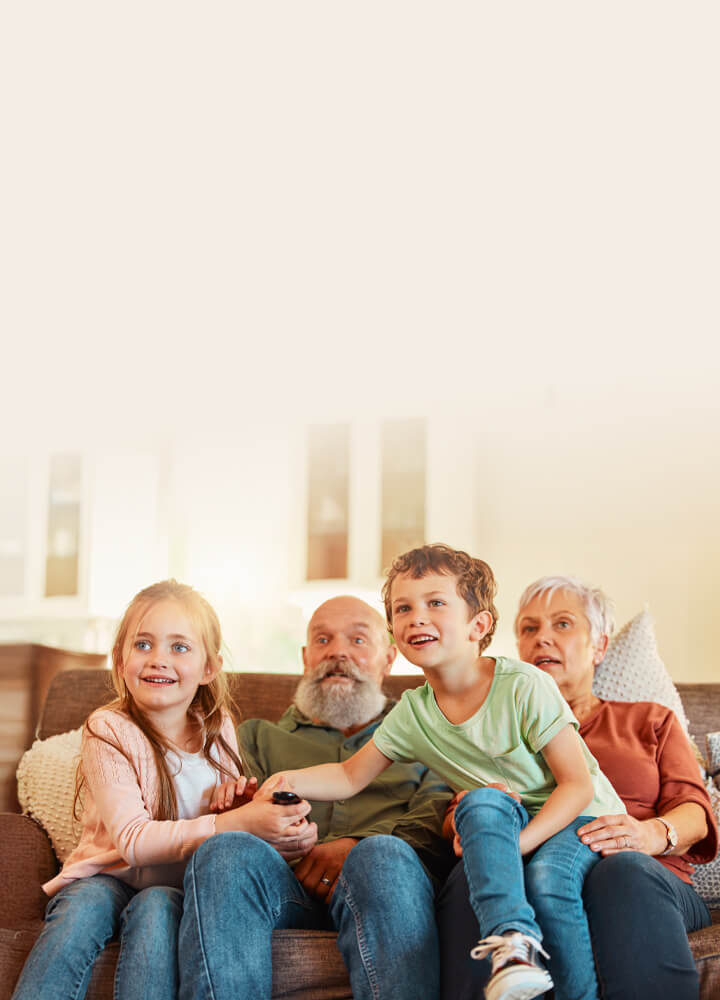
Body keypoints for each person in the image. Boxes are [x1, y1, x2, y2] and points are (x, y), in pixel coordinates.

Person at [264, 545, 627, 1000]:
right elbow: (349, 776)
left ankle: (526, 957)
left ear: (479, 626)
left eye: (435, 603)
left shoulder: (524, 685)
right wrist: (287, 780)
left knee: (548, 882)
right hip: (503, 818)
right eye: (403, 608)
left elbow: (578, 786)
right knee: (480, 803)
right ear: (394, 634)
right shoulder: (413, 712)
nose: (417, 617)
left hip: (582, 818)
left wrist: (517, 846)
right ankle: (511, 951)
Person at [12, 580, 310, 1000]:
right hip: (107, 875)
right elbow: (133, 841)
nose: (158, 659)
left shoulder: (218, 728)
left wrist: (235, 806)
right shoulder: (108, 729)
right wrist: (235, 822)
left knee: (155, 910)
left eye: (180, 647)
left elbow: (221, 827)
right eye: (143, 644)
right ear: (120, 661)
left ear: (209, 668)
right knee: (82, 909)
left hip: (176, 886)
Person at [437, 574, 718, 1000]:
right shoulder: (490, 729)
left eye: (563, 624)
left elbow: (695, 814)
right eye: (529, 628)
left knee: (622, 871)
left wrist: (648, 834)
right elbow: (452, 823)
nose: (542, 638)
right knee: (470, 877)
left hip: (643, 876)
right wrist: (466, 823)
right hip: (526, 878)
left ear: (599, 647)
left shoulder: (650, 720)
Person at [178, 594, 454, 1000]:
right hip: (286, 890)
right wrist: (242, 815)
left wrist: (355, 846)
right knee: (225, 852)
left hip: (388, 884)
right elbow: (241, 822)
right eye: (323, 640)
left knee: (380, 856)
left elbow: (434, 816)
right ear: (306, 658)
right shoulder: (255, 737)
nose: (337, 652)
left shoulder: (428, 731)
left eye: (358, 640)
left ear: (389, 659)